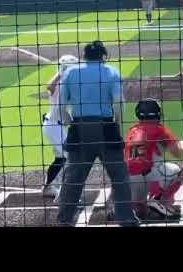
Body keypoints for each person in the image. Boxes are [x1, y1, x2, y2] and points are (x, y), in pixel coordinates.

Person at [57, 40, 139, 227]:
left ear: (84, 55)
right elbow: (118, 102)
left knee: (73, 178)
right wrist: (116, 123)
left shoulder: (70, 72)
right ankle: (125, 218)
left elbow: (61, 106)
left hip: (79, 129)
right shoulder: (111, 71)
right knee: (119, 176)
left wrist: (72, 123)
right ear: (103, 55)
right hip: (105, 128)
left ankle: (64, 219)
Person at [123, 98, 183, 219]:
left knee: (142, 213)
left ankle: (126, 207)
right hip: (147, 176)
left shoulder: (132, 131)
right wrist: (182, 145)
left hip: (129, 179)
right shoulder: (159, 129)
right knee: (180, 171)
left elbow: (133, 158)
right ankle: (158, 199)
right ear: (157, 113)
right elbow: (178, 153)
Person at [41, 55, 79, 198]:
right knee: (70, 158)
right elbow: (49, 87)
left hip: (57, 126)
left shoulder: (67, 82)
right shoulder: (61, 82)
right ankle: (65, 195)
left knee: (60, 159)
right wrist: (60, 72)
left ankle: (48, 187)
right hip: (53, 126)